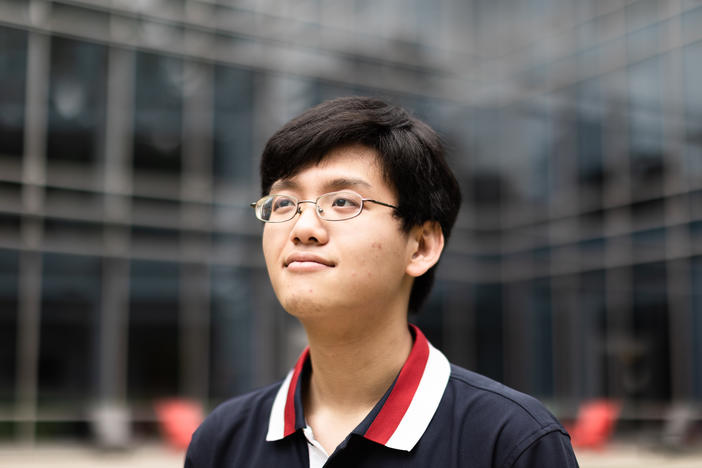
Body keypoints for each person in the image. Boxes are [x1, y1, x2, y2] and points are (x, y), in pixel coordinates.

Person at [185, 96, 579, 467]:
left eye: (342, 202)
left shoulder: (511, 441)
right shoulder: (223, 442)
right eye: (284, 203)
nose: (303, 228)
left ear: (421, 245)